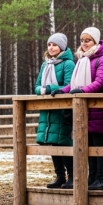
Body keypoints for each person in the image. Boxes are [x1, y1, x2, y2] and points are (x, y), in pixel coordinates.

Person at [52, 27, 103, 190]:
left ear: (95, 41)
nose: (84, 43)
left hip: (98, 109)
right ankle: (91, 179)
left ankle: (101, 179)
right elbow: (74, 84)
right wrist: (63, 90)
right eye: (82, 40)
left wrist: (83, 91)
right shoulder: (82, 60)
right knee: (89, 145)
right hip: (84, 110)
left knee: (99, 144)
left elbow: (100, 82)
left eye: (88, 40)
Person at [34, 33, 76, 189]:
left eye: (55, 45)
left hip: (63, 110)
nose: (51, 48)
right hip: (48, 110)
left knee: (64, 142)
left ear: (62, 47)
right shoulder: (46, 64)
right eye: (49, 45)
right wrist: (42, 90)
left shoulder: (68, 64)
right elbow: (37, 86)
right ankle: (60, 176)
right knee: (52, 141)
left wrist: (48, 88)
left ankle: (72, 176)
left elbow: (69, 85)